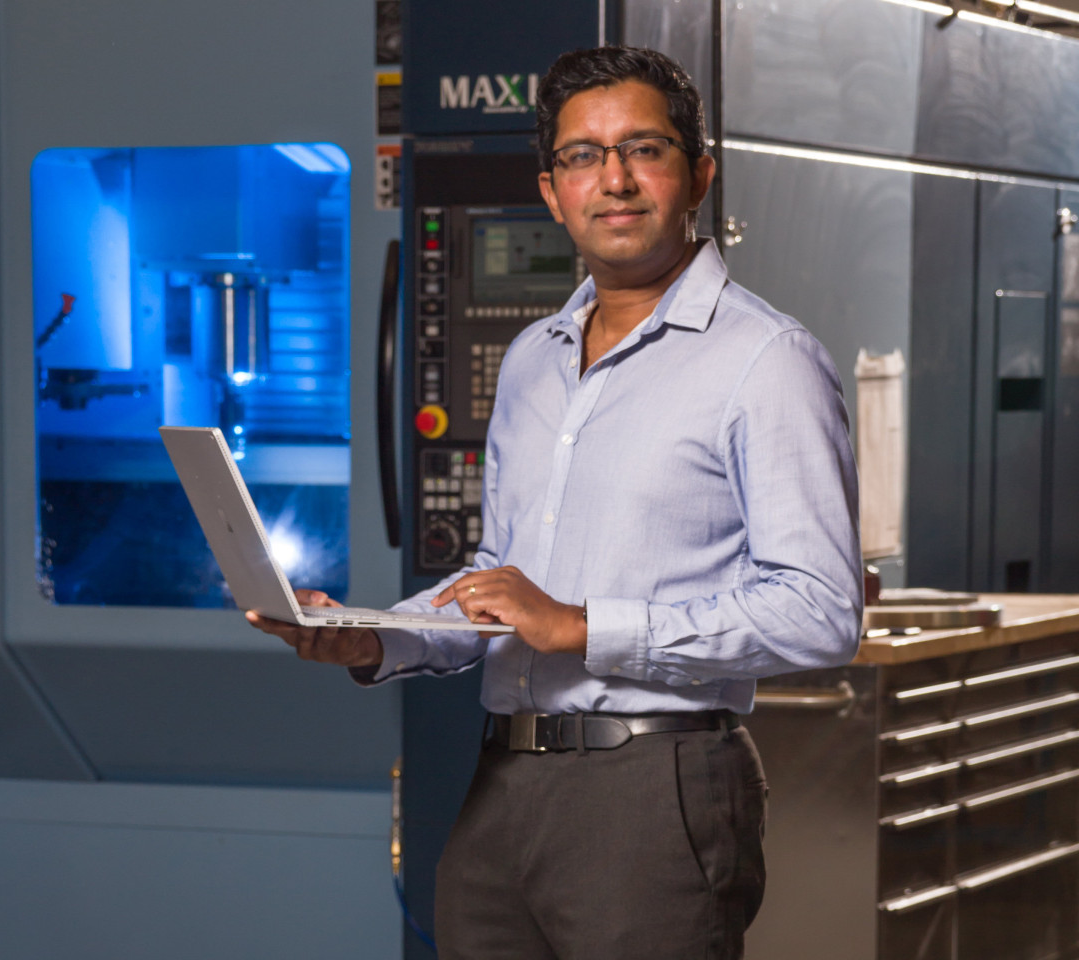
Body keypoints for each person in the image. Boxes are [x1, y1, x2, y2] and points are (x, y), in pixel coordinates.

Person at [246, 45, 862, 960]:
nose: (612, 180)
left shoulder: (765, 361)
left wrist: (583, 625)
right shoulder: (535, 356)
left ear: (698, 173)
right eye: (582, 156)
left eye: (642, 149)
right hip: (504, 784)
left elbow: (821, 613)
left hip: (657, 786)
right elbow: (501, 586)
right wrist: (379, 638)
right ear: (550, 191)